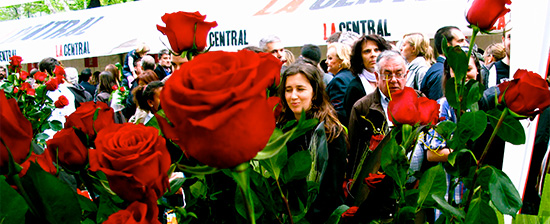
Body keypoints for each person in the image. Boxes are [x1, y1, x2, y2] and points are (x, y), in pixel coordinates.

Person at [277, 61, 347, 223]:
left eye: (300, 89)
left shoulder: (330, 132)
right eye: (288, 90)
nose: (293, 96)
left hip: (321, 216)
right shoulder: (281, 130)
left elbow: (331, 189)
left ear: (314, 93)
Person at [347, 50, 411, 221]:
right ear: (377, 76)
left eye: (399, 74)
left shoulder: (418, 102)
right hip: (374, 189)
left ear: (407, 74)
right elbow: (354, 152)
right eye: (387, 75)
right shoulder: (362, 108)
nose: (394, 80)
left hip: (408, 186)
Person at [344, 34, 392, 127]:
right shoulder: (355, 88)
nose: (373, 54)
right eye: (367, 51)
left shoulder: (393, 80)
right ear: (360, 57)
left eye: (377, 50)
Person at [420, 26, 468, 100]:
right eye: (460, 41)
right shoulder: (441, 73)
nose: (467, 44)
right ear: (447, 45)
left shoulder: (441, 69)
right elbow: (439, 107)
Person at [325, 42, 354, 125]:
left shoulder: (338, 80)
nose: (326, 62)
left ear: (341, 61)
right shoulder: (351, 75)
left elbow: (339, 112)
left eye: (330, 58)